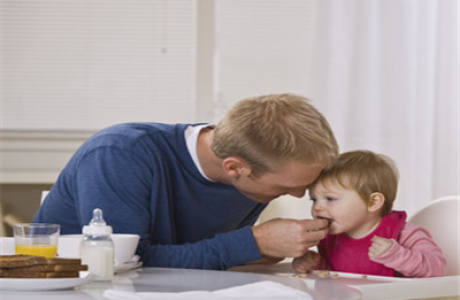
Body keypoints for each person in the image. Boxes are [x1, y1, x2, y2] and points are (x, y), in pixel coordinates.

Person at [34, 93, 339, 270]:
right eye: (285, 188)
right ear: (235, 167)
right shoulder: (120, 153)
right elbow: (124, 262)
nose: (300, 195)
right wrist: (253, 242)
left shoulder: (250, 172)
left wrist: (266, 252)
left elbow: (203, 256)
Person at [292, 150, 447, 277]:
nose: (317, 207)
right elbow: (339, 276)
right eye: (314, 200)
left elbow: (437, 268)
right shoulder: (331, 236)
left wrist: (396, 255)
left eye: (330, 198)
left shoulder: (404, 234)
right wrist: (316, 264)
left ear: (372, 202)